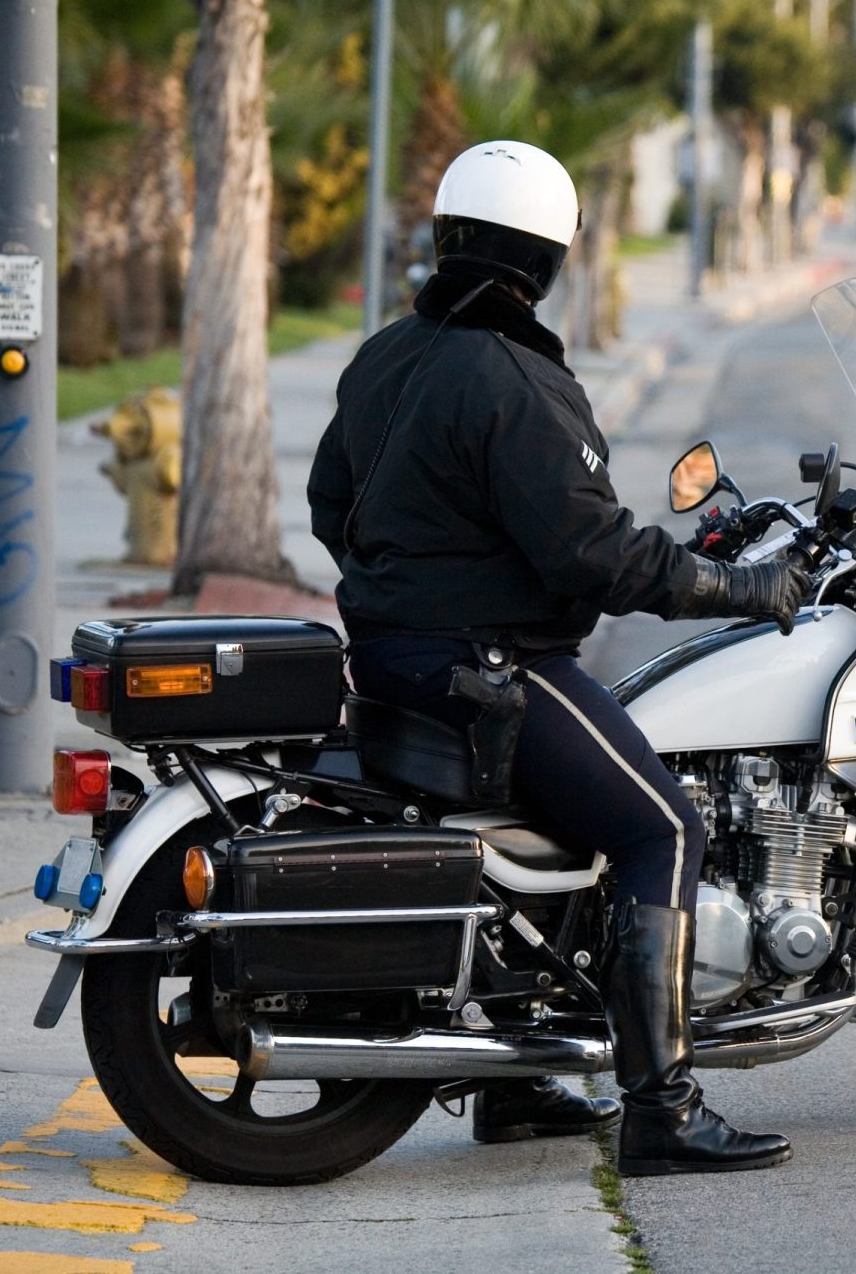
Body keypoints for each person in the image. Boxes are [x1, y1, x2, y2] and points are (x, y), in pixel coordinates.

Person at [307, 140, 809, 1176]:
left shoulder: (385, 355)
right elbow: (594, 550)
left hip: (397, 660)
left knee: (546, 837)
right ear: (550, 259)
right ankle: (662, 1107)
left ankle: (514, 1084)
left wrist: (412, 581)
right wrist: (742, 587)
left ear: (446, 239)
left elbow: (329, 506)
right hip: (493, 666)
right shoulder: (517, 381)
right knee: (664, 825)